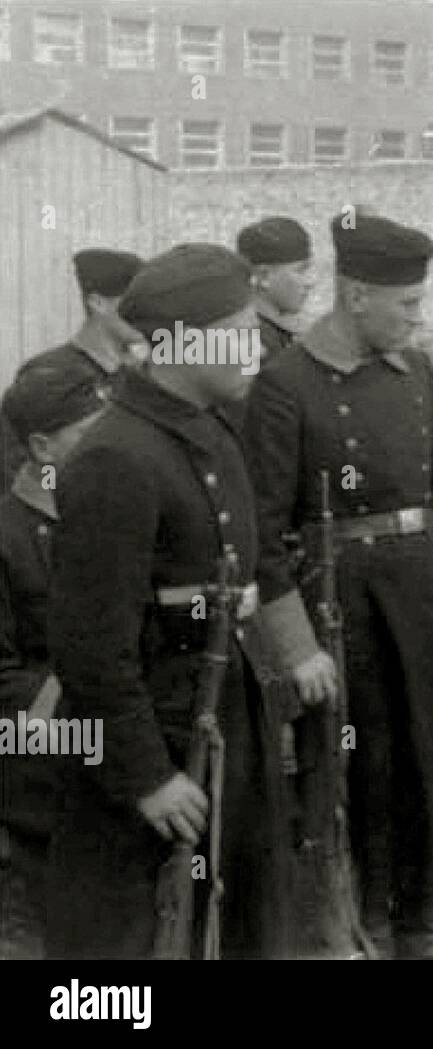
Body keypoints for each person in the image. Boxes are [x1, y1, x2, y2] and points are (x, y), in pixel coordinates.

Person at [243, 210, 433, 959]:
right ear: (355, 294)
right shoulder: (285, 384)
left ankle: (424, 920)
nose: (418, 319)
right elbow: (259, 531)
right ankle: (361, 923)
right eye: (406, 304)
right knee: (364, 765)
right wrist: (293, 645)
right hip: (340, 605)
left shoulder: (417, 371)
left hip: (423, 592)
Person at [43, 244, 292, 959]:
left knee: (225, 917)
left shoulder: (213, 430)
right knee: (127, 938)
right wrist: (146, 776)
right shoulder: (116, 457)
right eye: (239, 331)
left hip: (222, 721)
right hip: (149, 750)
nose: (257, 348)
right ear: (182, 341)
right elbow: (91, 646)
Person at [0, 365, 105, 959]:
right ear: (42, 447)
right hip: (38, 758)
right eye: (91, 432)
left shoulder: (111, 517)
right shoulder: (7, 537)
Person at [1, 249, 143, 488]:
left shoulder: (141, 374)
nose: (144, 314)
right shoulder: (47, 372)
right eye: (132, 304)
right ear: (97, 303)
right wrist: (65, 500)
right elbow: (23, 469)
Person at [235, 216, 315, 367]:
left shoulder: (269, 331)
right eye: (301, 271)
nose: (311, 282)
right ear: (264, 276)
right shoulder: (259, 344)